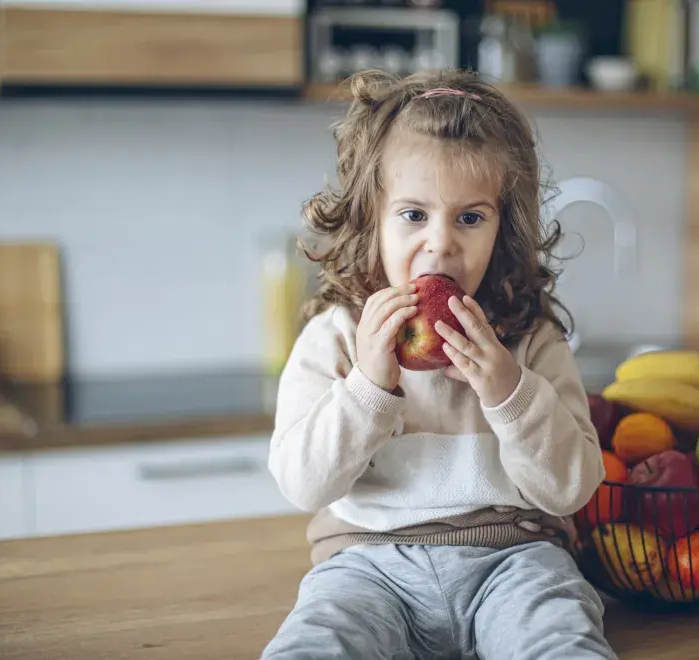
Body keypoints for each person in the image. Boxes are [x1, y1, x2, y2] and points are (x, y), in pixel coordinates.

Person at [261, 68, 616, 660]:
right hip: (368, 566)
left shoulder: (531, 341)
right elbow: (303, 484)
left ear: (504, 229)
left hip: (514, 558)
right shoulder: (340, 337)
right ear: (372, 218)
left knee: (563, 638)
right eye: (413, 215)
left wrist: (510, 392)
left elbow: (571, 489)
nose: (442, 243)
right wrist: (369, 388)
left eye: (470, 218)